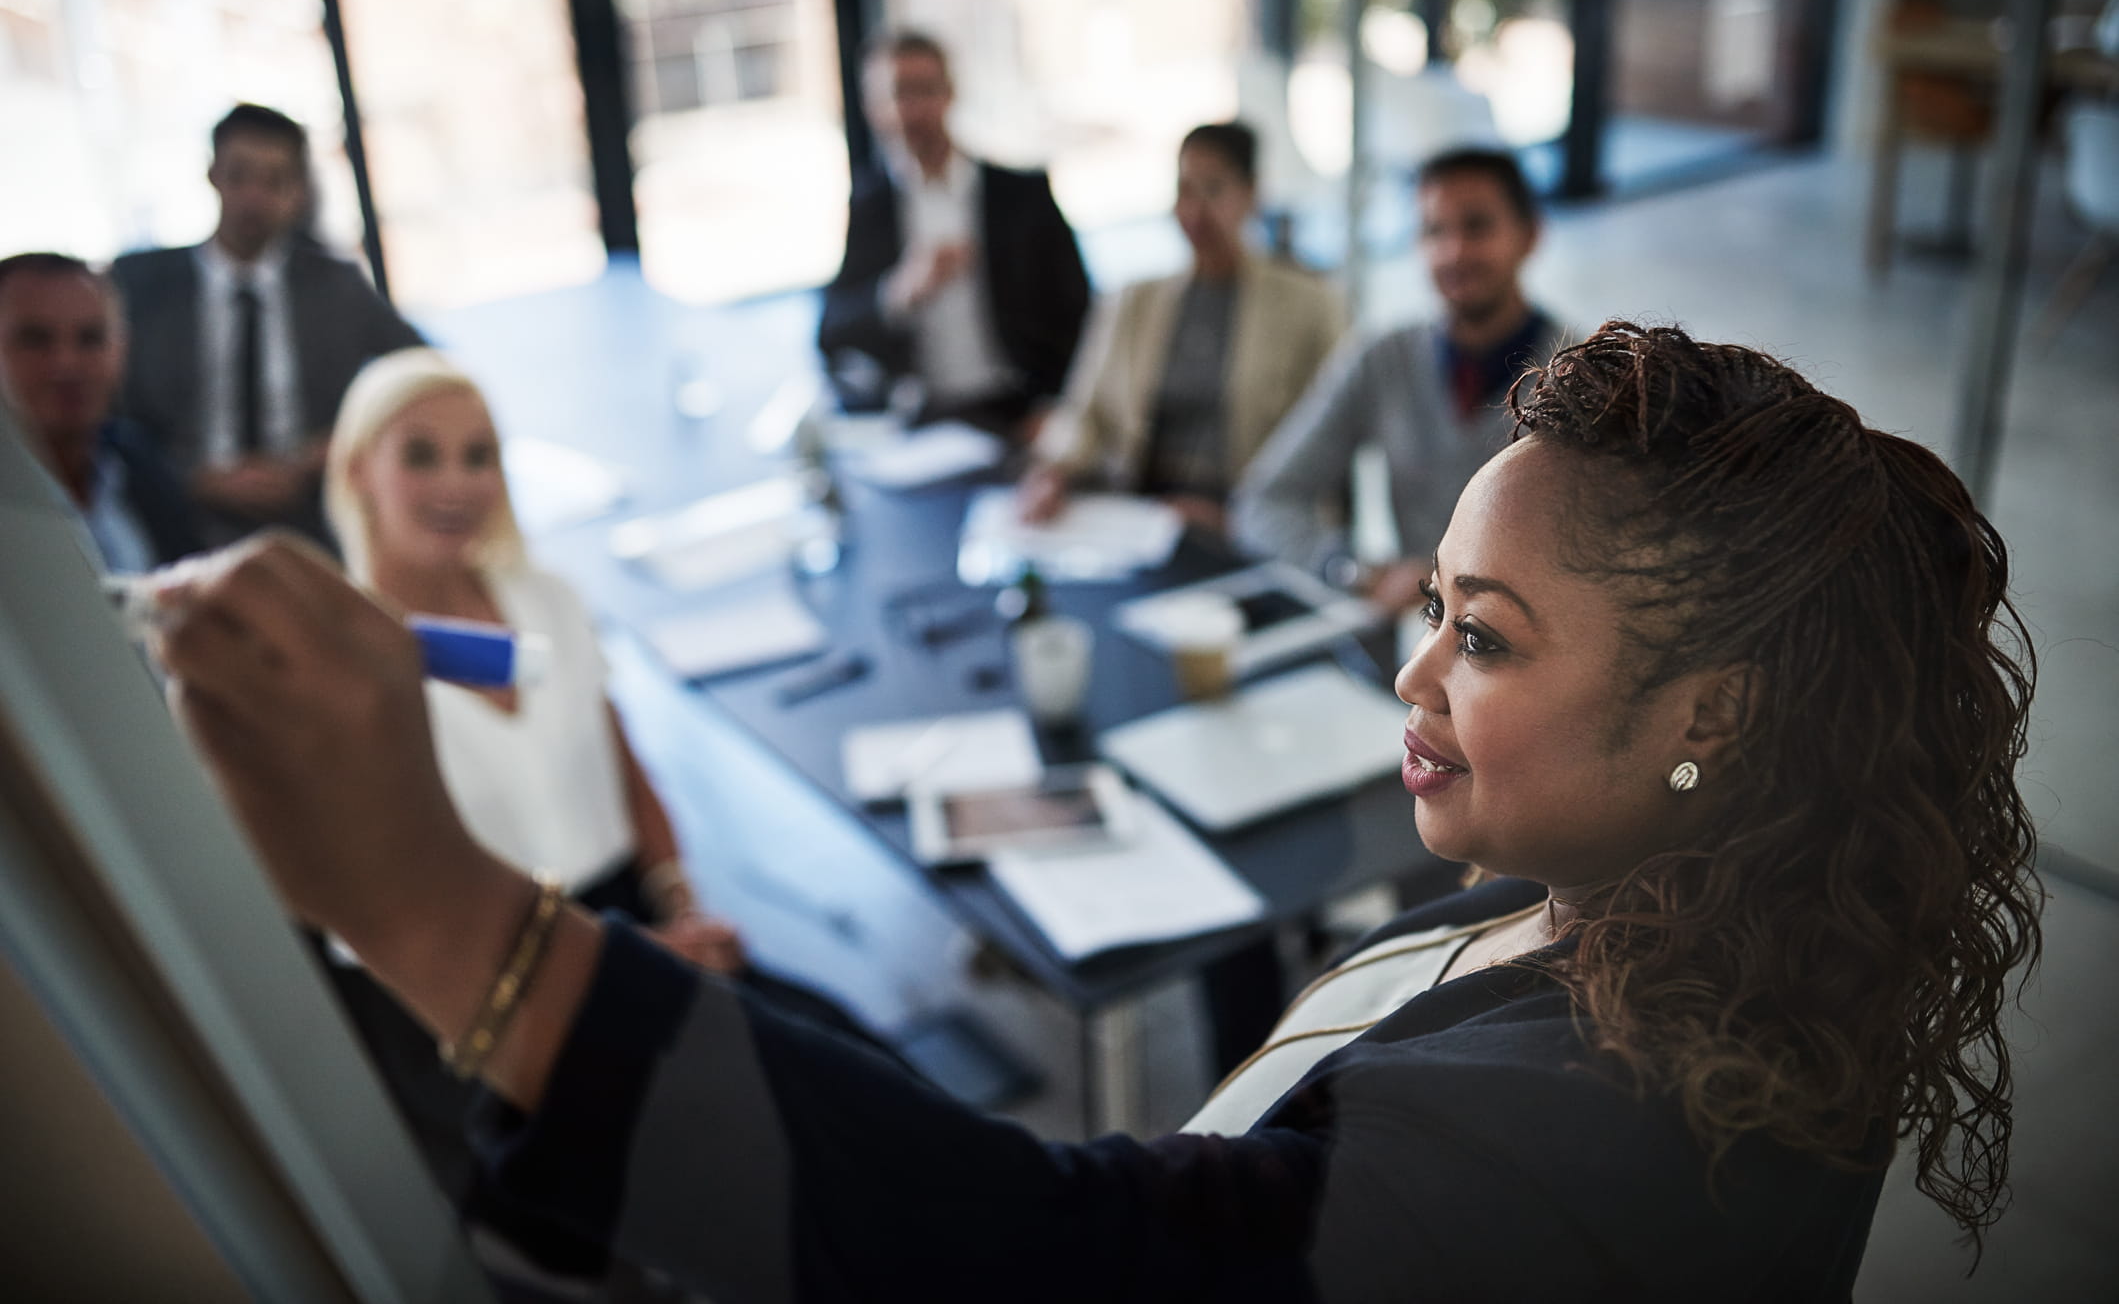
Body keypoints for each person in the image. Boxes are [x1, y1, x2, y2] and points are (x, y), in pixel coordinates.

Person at [158, 322, 2041, 1300]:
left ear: (1703, 708)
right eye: (1429, 611)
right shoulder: (1688, 917)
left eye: (1479, 635)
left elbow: (1056, 1265)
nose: (1411, 675)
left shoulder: (1603, 1149)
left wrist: (434, 906)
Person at [317, 349, 884, 1280]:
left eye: (479, 455)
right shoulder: (347, 678)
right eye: (421, 455)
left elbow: (626, 767)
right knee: (759, 1182)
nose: (456, 482)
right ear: (354, 472)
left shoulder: (545, 602)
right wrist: (616, 967)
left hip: (628, 919)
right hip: (491, 1003)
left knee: (855, 1072)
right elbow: (404, 948)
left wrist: (679, 904)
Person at [1232, 147, 1567, 613]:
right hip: (1416, 642)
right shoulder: (1383, 358)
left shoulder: (1581, 380)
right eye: (1434, 231)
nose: (1454, 252)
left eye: (1477, 226)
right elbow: (1265, 501)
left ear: (1530, 234)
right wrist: (1349, 569)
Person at [114, 103, 423, 547]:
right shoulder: (141, 286)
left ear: (298, 190)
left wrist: (324, 452)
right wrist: (193, 478)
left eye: (274, 180)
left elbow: (418, 377)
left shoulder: (337, 286)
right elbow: (112, 418)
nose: (253, 198)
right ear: (213, 174)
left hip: (314, 517)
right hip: (180, 520)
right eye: (239, 175)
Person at [1018, 122, 1344, 535]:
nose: (1194, 211)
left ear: (1251, 195)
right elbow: (1085, 412)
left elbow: (1326, 451)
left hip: (1244, 523)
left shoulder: (1309, 304)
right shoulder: (1135, 301)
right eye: (1184, 191)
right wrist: (1053, 472)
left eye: (1212, 189)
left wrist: (1236, 521)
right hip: (1141, 516)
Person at [816, 30, 1091, 436]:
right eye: (896, 94)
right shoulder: (871, 205)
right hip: (923, 421)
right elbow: (831, 330)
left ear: (949, 94)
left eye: (923, 91)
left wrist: (1056, 406)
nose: (910, 112)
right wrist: (897, 293)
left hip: (1019, 411)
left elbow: (1081, 315)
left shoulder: (1021, 195)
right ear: (872, 107)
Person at [0, 252, 202, 572]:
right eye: (35, 340)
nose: (67, 364)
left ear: (122, 347)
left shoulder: (142, 465)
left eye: (90, 339)